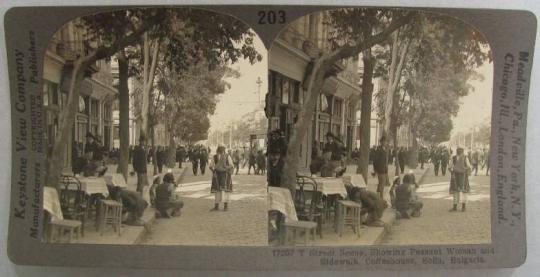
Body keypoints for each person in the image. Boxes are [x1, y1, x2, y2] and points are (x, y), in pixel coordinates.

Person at [209, 146, 234, 211]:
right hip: (217, 175)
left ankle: (225, 206)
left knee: (225, 190)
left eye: (222, 151)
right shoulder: (215, 157)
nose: (221, 152)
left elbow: (231, 165)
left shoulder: (227, 156)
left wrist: (226, 167)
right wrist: (214, 171)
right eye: (220, 151)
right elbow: (211, 166)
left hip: (225, 175)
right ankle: (217, 206)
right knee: (217, 191)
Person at [448, 147, 471, 212]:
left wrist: (463, 169)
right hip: (455, 176)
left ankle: (463, 207)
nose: (459, 151)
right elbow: (450, 166)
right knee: (455, 191)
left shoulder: (465, 157)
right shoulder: (453, 158)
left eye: (460, 150)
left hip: (463, 177)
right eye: (458, 150)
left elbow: (469, 166)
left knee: (463, 191)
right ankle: (454, 207)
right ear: (456, 150)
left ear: (463, 151)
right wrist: (452, 171)